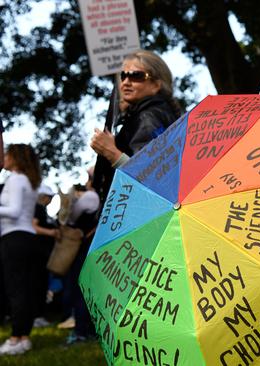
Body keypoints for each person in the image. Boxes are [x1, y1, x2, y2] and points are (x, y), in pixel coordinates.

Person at [91, 49, 181, 202]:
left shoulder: (147, 118)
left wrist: (111, 152)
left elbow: (151, 180)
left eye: (136, 76)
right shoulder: (155, 114)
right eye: (123, 76)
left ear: (156, 85)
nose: (126, 82)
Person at [0, 144, 41, 355]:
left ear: (15, 158)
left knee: (16, 289)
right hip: (26, 238)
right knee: (24, 289)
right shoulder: (28, 180)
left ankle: (16, 338)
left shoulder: (16, 179)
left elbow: (14, 211)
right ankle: (24, 337)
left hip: (14, 238)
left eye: (7, 153)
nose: (4, 157)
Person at [63, 167, 100, 344]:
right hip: (92, 246)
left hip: (83, 247)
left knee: (81, 289)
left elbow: (71, 218)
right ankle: (90, 330)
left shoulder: (90, 196)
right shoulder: (101, 195)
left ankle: (81, 331)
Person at [31, 184, 58, 328]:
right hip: (37, 253)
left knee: (42, 284)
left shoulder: (44, 211)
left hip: (44, 254)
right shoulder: (38, 208)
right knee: (38, 284)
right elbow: (33, 227)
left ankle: (40, 314)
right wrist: (51, 233)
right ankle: (36, 315)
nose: (51, 200)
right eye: (50, 197)